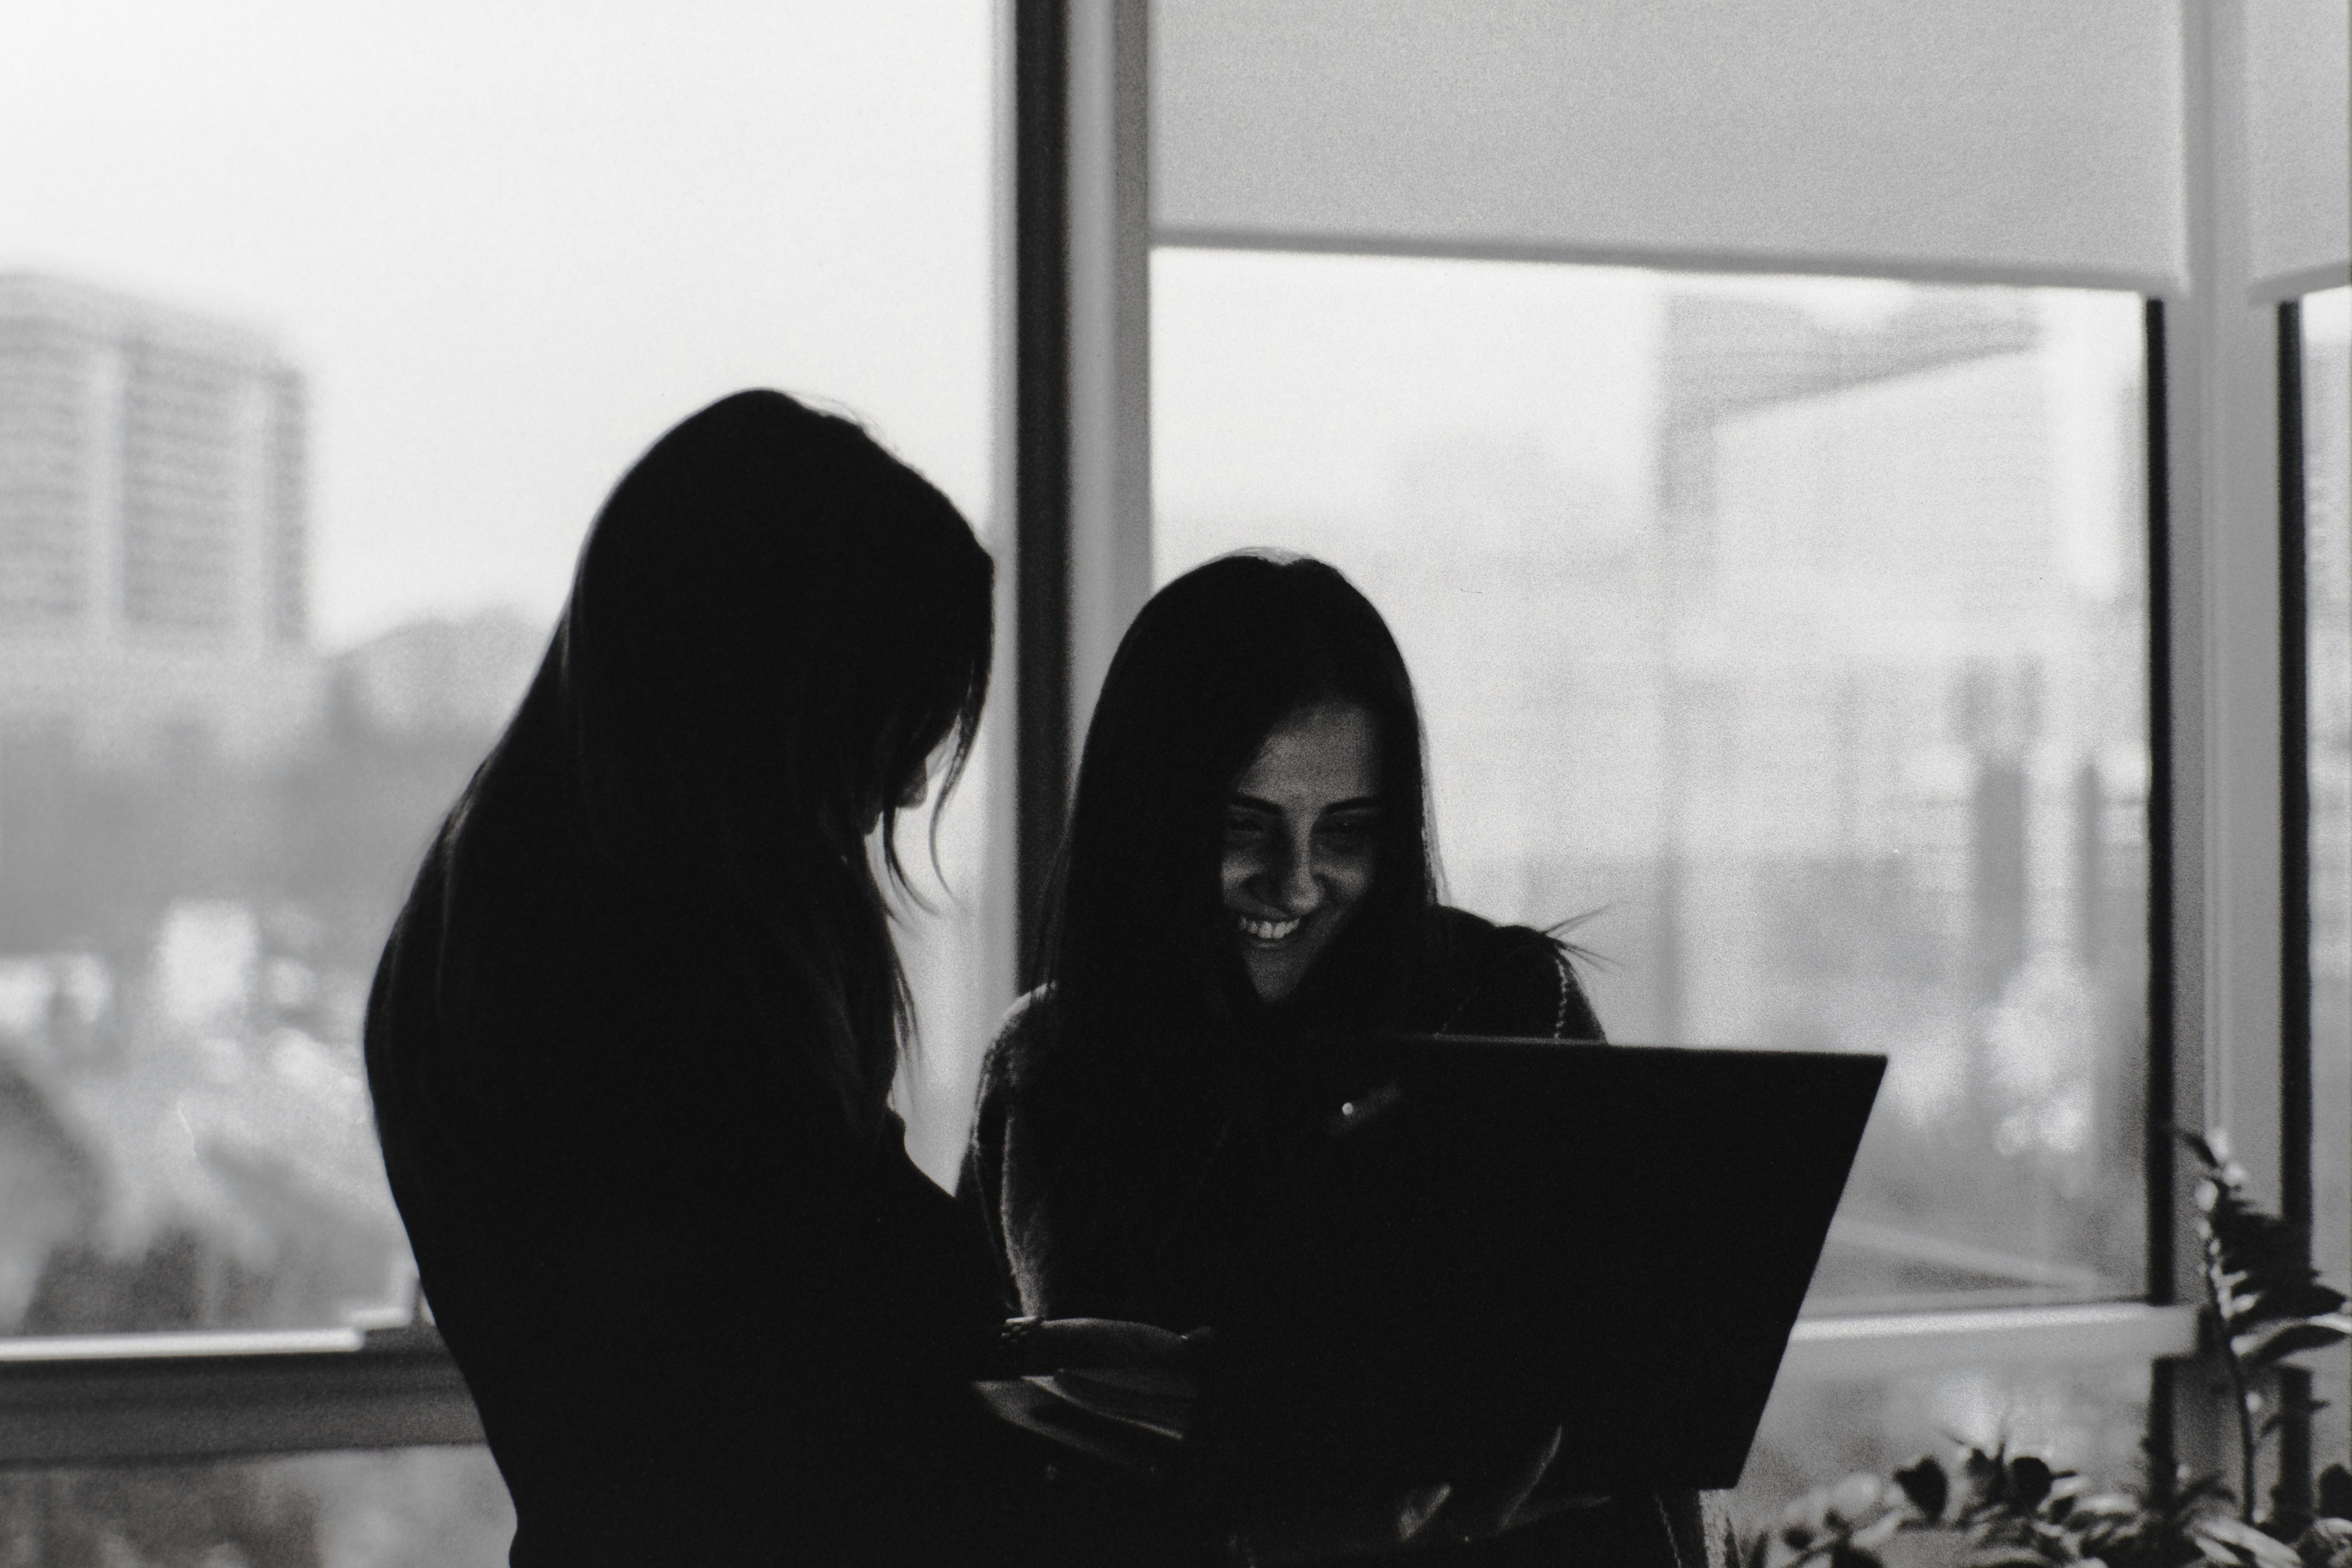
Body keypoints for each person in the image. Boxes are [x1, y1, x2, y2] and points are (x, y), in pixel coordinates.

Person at [364, 390, 1178, 1566]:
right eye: (883, 729)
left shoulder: (492, 938)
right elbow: (861, 1366)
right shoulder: (675, 1001)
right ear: (772, 696)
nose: (898, 797)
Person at [962, 552, 1731, 1565]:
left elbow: (1642, 1447)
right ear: (1148, 819)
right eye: (1244, 825)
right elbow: (968, 1469)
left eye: (1349, 831)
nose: (1294, 883)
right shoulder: (1044, 1072)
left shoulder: (1503, 1010)